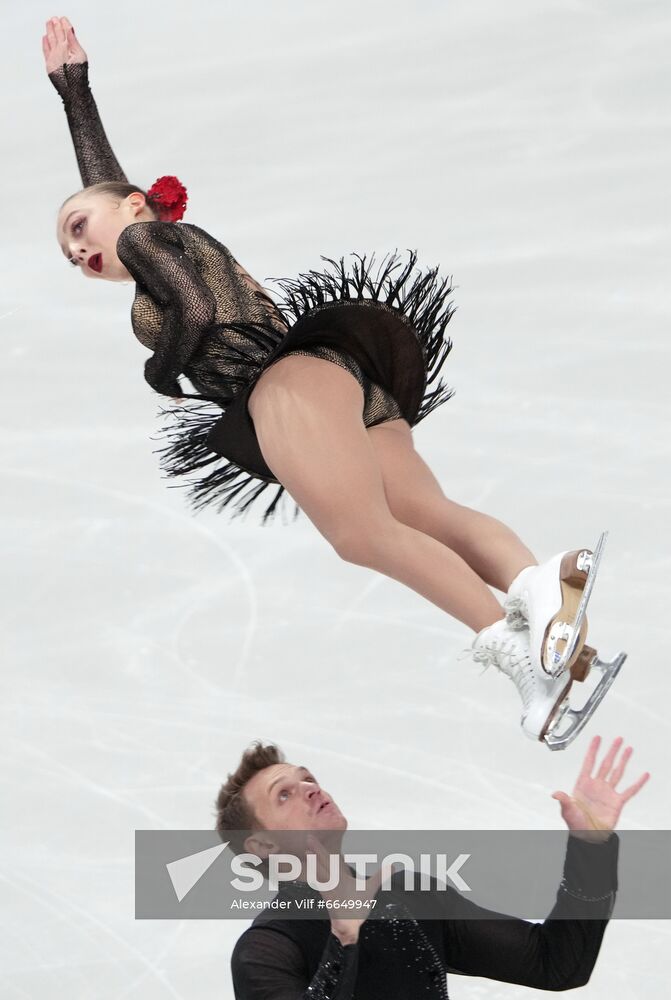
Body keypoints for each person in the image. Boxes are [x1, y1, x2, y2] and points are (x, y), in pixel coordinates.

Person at [43, 16, 619, 747]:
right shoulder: (155, 235)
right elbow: (115, 196)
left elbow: (186, 307)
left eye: (77, 224)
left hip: (284, 390)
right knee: (426, 514)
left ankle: (519, 658)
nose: (76, 245)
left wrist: (160, 368)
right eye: (68, 248)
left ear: (130, 210)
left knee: (361, 534)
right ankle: (544, 594)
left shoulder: (142, 235)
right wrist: (75, 92)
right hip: (340, 375)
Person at [216, 736, 649, 999]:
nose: (310, 789)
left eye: (307, 778)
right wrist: (341, 940)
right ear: (263, 845)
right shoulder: (265, 950)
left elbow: (557, 964)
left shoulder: (410, 894)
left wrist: (590, 848)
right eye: (284, 795)